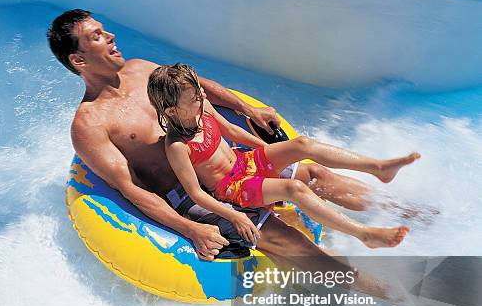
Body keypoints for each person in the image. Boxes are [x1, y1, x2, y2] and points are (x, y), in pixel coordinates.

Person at [46, 9, 401, 298]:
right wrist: (191, 229)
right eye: (96, 36)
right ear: (79, 59)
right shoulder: (90, 125)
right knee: (285, 240)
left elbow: (197, 89)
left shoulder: (140, 69)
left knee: (314, 174)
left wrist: (247, 109)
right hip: (190, 193)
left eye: (104, 31)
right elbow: (132, 190)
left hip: (223, 164)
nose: (110, 37)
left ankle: (410, 213)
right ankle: (385, 296)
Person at [148, 63, 418, 248]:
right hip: (233, 186)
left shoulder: (202, 108)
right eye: (194, 96)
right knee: (294, 188)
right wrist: (234, 216)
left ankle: (378, 167)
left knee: (302, 144)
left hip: (244, 160)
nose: (202, 95)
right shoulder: (177, 147)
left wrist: (271, 153)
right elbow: (196, 193)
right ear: (171, 111)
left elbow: (232, 131)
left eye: (199, 90)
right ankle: (364, 234)